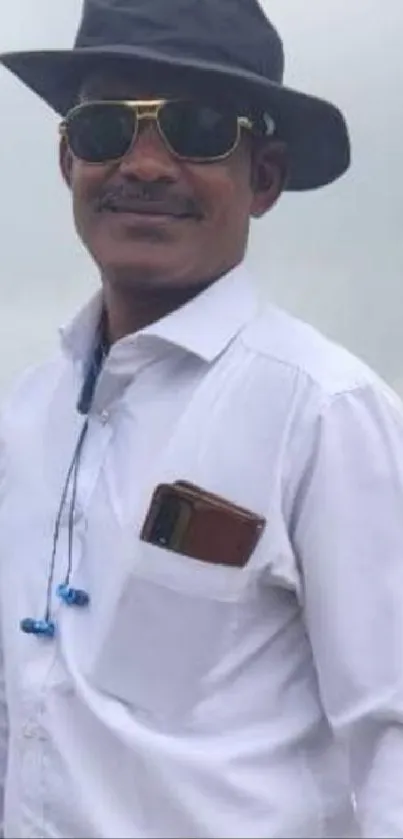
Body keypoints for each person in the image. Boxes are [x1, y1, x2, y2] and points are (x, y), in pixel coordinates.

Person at [0, 0, 402, 836]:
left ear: (264, 178)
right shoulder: (24, 418)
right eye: (109, 128)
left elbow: (391, 732)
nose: (145, 163)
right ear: (68, 156)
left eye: (197, 127)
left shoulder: (324, 413)